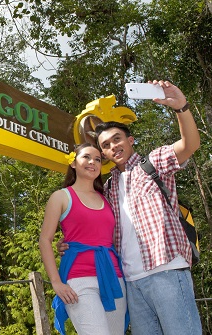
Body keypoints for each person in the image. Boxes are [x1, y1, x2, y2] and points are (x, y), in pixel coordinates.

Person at [59, 80, 202, 335]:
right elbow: (98, 229)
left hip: (166, 270)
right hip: (130, 282)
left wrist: (181, 107)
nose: (113, 146)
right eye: (106, 145)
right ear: (103, 154)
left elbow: (189, 145)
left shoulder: (153, 163)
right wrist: (72, 244)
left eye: (117, 139)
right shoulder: (110, 187)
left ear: (130, 140)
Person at [39, 143, 127, 335]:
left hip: (114, 278)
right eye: (86, 157)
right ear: (73, 163)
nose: (92, 162)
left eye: (97, 159)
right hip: (79, 280)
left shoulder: (107, 198)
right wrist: (56, 282)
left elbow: (113, 239)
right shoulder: (61, 197)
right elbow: (45, 240)